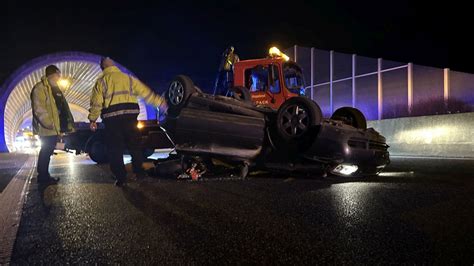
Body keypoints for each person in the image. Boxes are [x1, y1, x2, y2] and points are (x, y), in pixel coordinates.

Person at [88, 57, 167, 186]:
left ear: (102, 68)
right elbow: (145, 92)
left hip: (112, 119)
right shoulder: (128, 78)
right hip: (130, 118)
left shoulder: (101, 82)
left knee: (115, 149)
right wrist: (159, 102)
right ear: (114, 65)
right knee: (134, 146)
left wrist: (92, 119)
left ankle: (121, 178)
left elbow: (96, 103)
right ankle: (139, 173)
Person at [31, 65, 75, 184]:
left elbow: (61, 108)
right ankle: (43, 177)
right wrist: (48, 123)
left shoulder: (55, 88)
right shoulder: (40, 88)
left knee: (48, 151)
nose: (59, 77)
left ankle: (45, 175)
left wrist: (63, 126)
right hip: (47, 127)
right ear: (52, 74)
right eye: (58, 74)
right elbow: (38, 108)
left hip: (55, 127)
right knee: (46, 150)